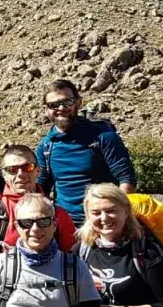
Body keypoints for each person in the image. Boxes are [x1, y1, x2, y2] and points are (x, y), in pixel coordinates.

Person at [35, 80, 136, 222]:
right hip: (65, 226)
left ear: (79, 102)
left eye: (68, 101)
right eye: (54, 105)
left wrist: (118, 218)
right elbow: (41, 189)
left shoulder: (103, 136)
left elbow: (126, 179)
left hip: (102, 222)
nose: (61, 108)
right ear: (46, 109)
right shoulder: (45, 147)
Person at [0, 145, 77, 252]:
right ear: (4, 175)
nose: (21, 174)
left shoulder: (58, 215)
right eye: (12, 169)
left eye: (27, 167)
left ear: (38, 171)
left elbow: (71, 259)